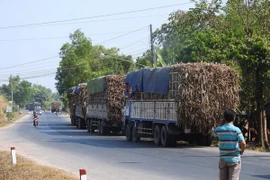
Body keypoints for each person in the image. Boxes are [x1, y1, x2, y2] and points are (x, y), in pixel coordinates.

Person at [214, 109, 246, 180]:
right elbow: (243, 143)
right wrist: (242, 151)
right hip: (234, 159)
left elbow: (213, 134)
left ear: (224, 118)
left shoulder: (219, 129)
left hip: (223, 159)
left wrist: (220, 125)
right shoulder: (236, 130)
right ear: (234, 118)